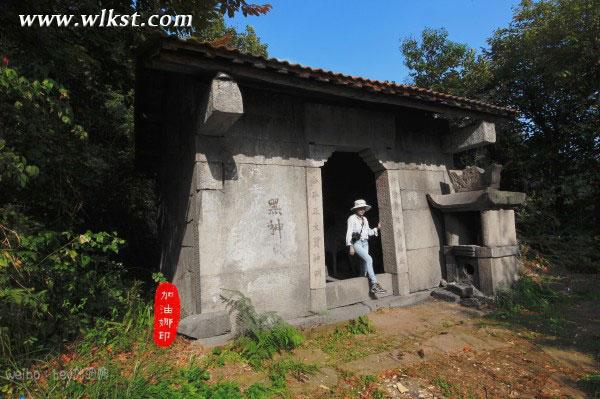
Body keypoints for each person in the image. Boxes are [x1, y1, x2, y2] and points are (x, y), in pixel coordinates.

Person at [346, 199, 387, 295]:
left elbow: (368, 232)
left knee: (364, 263)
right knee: (369, 259)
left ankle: (362, 285)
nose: (362, 210)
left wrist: (377, 228)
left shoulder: (365, 219)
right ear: (356, 209)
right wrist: (351, 246)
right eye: (359, 208)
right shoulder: (351, 218)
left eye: (363, 208)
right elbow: (349, 233)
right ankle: (374, 284)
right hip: (357, 243)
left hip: (365, 243)